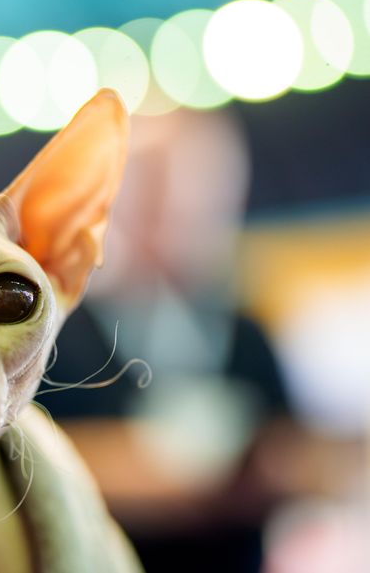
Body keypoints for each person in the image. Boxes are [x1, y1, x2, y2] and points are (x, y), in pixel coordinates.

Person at [38, 108, 292, 573]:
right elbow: (25, 464)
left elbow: (293, 453)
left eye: (199, 190)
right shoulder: (61, 336)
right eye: (158, 190)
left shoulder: (246, 333)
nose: (180, 212)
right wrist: (143, 475)